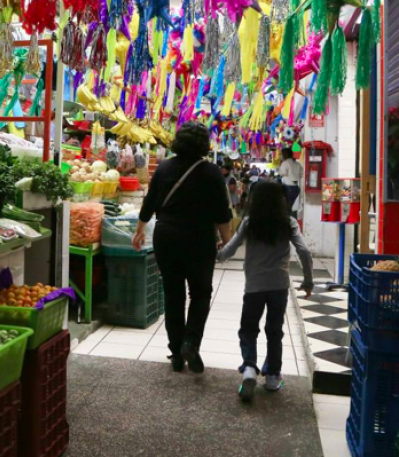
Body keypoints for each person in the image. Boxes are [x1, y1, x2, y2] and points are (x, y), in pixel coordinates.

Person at [133, 121, 232, 373]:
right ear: (203, 144)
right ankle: (191, 342)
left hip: (166, 236)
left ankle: (176, 351)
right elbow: (222, 213)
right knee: (200, 294)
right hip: (199, 238)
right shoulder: (211, 173)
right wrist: (227, 240)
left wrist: (139, 230)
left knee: (172, 293)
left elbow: (150, 202)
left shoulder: (164, 167)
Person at [217, 181, 314, 400]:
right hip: (279, 285)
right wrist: (308, 281)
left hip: (254, 286)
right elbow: (305, 251)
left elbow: (229, 250)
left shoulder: (249, 222)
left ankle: (249, 368)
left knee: (249, 329)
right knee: (274, 331)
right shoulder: (288, 223)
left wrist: (215, 256)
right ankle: (272, 376)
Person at [278, 147, 303, 216]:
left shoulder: (285, 163)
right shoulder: (297, 164)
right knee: (293, 207)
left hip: (287, 187)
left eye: (281, 154)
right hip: (296, 187)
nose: (281, 156)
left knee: (286, 207)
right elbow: (301, 173)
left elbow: (282, 173)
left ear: (285, 154)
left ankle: (287, 221)